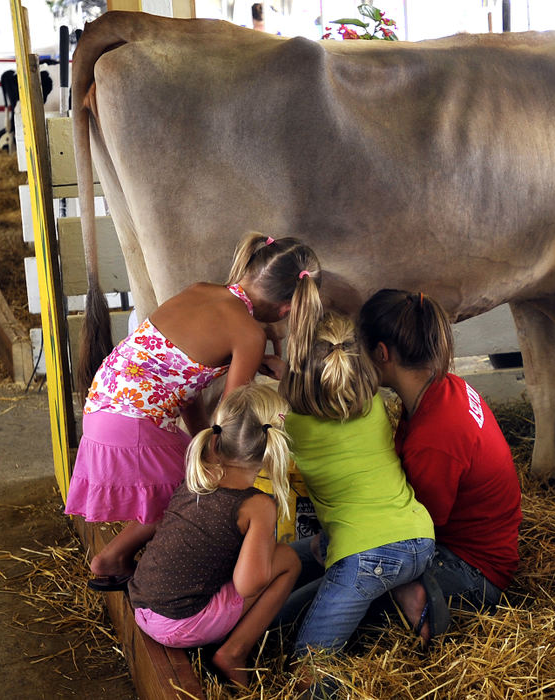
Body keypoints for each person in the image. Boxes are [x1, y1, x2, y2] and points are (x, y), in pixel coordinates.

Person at [65, 232, 320, 591]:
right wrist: (214, 454)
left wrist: (200, 443)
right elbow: (233, 418)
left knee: (191, 473)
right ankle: (112, 558)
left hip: (104, 404)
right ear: (287, 309)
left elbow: (184, 380)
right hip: (134, 423)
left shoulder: (200, 290)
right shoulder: (249, 334)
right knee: (196, 491)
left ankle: (130, 555)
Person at [277, 273, 439, 658]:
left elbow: (289, 413)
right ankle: (408, 589)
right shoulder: (373, 408)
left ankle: (399, 590)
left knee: (311, 659)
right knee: (314, 547)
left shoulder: (294, 427)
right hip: (419, 535)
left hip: (368, 555)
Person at [358, 289, 523, 646]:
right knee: (320, 558)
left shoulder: (434, 437)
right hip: (472, 543)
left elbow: (414, 535)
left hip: (472, 571)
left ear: (382, 354)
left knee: (339, 597)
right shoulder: (441, 389)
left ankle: (413, 596)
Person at [127, 383, 301, 688]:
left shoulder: (198, 476)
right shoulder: (258, 505)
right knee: (288, 559)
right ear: (274, 445)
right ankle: (234, 653)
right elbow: (248, 585)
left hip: (142, 606)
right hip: (180, 624)